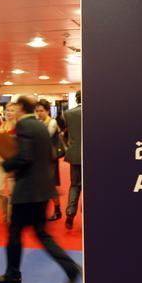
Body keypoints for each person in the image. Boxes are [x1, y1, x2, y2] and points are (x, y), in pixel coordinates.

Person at [0, 96, 81, 283]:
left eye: (15, 107)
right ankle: (70, 268)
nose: (13, 111)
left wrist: (7, 164)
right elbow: (47, 155)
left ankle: (13, 274)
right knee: (41, 234)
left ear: (22, 108)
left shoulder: (24, 126)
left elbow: (25, 156)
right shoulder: (41, 126)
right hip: (43, 189)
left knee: (15, 232)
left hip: (27, 191)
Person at [35, 99, 62, 221]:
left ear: (47, 111)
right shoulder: (38, 122)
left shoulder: (52, 122)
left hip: (50, 159)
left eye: (41, 110)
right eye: (37, 111)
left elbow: (45, 136)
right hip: (39, 158)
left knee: (50, 185)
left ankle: (57, 211)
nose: (39, 113)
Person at [63, 91, 82, 230]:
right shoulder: (97, 111)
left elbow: (67, 135)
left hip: (74, 154)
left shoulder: (68, 114)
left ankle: (70, 214)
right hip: (93, 154)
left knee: (75, 185)